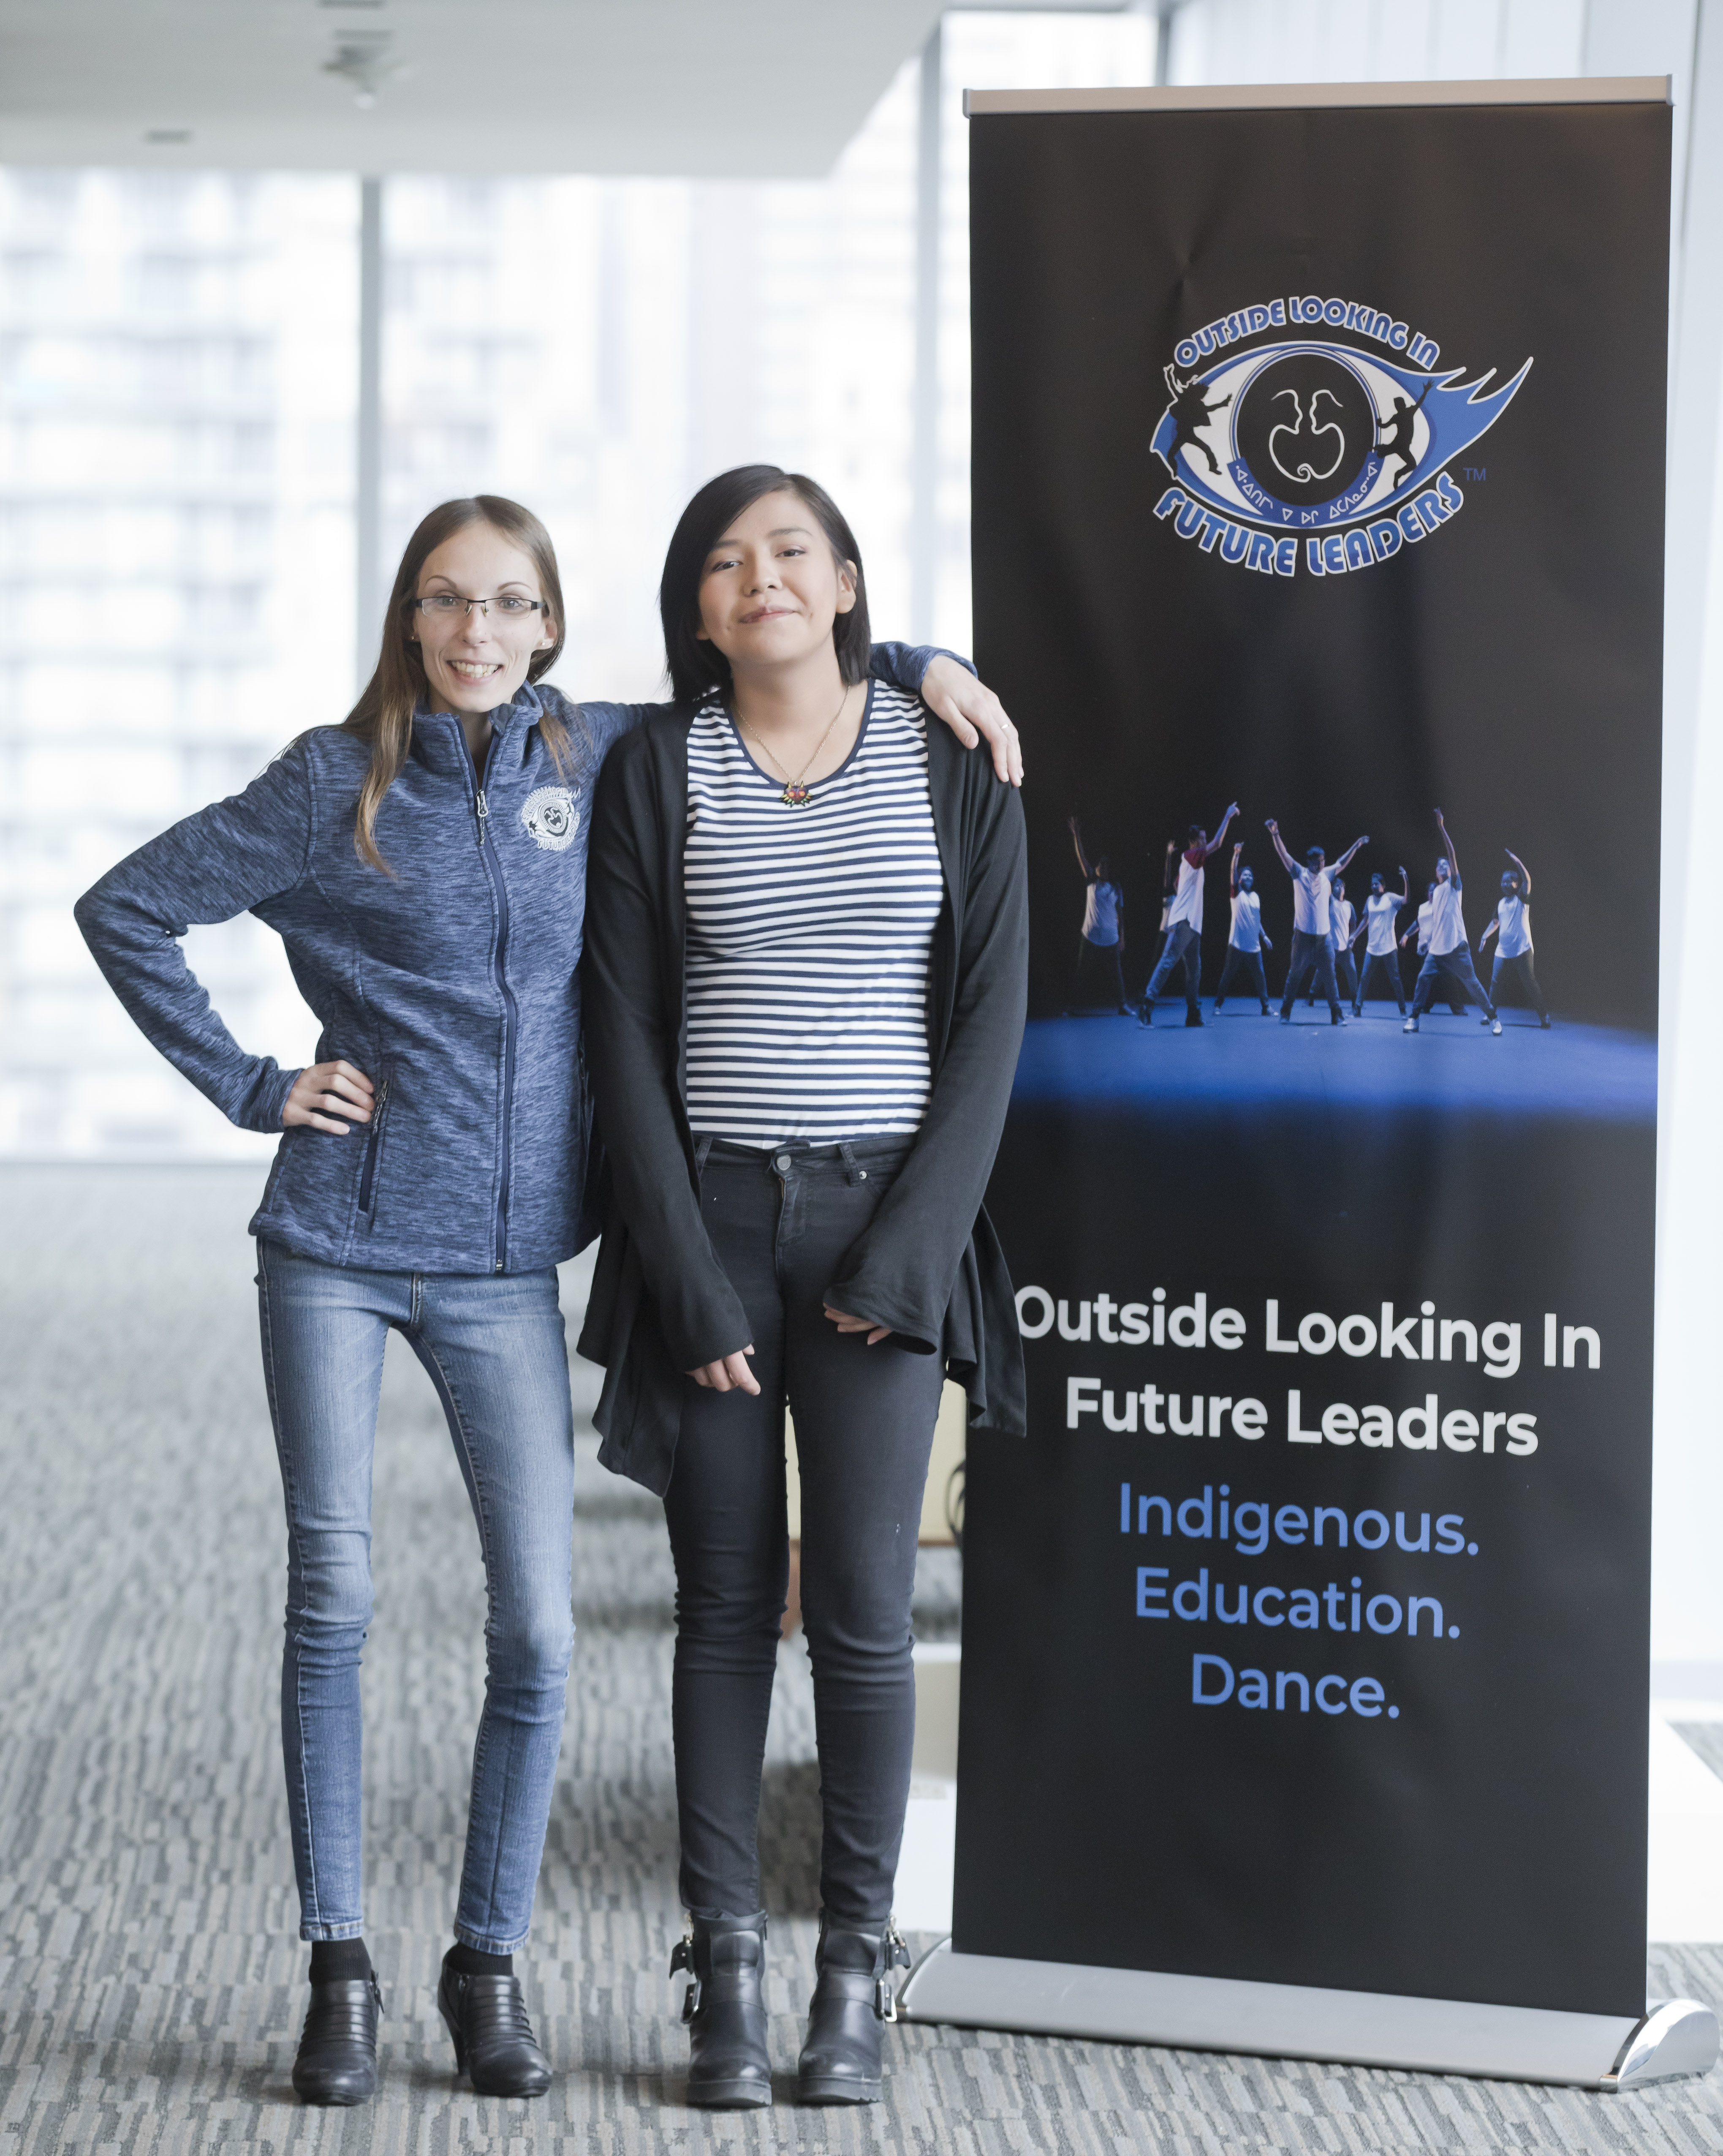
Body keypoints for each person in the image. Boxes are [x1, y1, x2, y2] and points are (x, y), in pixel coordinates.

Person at [72, 495, 1017, 2110]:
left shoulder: (586, 756)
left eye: (509, 605)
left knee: (551, 1630)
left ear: (552, 628)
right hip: (361, 1241)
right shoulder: (340, 779)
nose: (475, 633)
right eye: (444, 602)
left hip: (524, 1262)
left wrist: (923, 658)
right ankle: (351, 1967)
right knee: (345, 1600)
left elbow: (785, 657)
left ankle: (533, 1965)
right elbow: (127, 907)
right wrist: (254, 1084)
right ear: (406, 615)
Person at [579, 466, 1027, 2112]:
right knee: (717, 1612)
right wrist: (683, 1278)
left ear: (845, 582)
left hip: (883, 1231)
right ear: (697, 609)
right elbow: (620, 1030)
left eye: (789, 550)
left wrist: (911, 1254)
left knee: (859, 1616)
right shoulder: (652, 767)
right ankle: (727, 1974)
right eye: (721, 560)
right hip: (705, 1224)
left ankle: (850, 1968)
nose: (755, 576)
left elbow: (989, 1024)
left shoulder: (946, 751)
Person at [1139, 803, 1238, 1027]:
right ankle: (1146, 1004)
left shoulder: (1192, 864)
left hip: (1193, 925)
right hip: (1184, 921)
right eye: (1202, 838)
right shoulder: (1190, 855)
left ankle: (1193, 1013)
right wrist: (1228, 816)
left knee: (1195, 970)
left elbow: (1176, 885)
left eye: (1205, 838)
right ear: (1195, 841)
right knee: (1168, 961)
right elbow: (1218, 844)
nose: (1205, 841)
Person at [1404, 809, 1502, 1033]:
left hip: (1458, 947)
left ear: (1450, 869)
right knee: (1422, 981)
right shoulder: (1437, 891)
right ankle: (1414, 1018)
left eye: (1446, 864)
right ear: (1436, 872)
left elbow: (1453, 856)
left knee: (1472, 984)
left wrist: (1441, 828)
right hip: (1437, 950)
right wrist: (1428, 942)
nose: (1444, 865)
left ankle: (1494, 1019)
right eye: (1440, 864)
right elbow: (1436, 923)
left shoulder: (1453, 887)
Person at [1266, 820, 1365, 1024]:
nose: (1322, 864)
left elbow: (1342, 862)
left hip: (1324, 939)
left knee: (1330, 977)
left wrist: (1356, 846)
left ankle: (1336, 1015)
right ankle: (1285, 1012)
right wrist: (1276, 834)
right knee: (1295, 975)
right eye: (1318, 861)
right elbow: (1284, 856)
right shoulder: (1299, 874)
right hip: (1302, 938)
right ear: (1310, 861)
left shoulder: (1327, 875)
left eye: (1323, 860)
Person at [1479, 850, 1551, 1025]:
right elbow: (1496, 922)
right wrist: (1485, 935)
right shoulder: (1501, 903)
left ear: (1516, 883)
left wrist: (1517, 861)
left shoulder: (1522, 899)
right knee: (1495, 984)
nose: (1505, 884)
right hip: (1503, 950)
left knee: (1530, 983)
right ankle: (1491, 1014)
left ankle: (1544, 1016)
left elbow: (1528, 880)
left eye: (1508, 881)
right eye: (1502, 881)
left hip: (1522, 949)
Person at [1065, 816, 1128, 1013]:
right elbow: (1081, 857)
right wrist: (1077, 835)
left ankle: (1123, 1005)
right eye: (1100, 865)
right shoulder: (1092, 881)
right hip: (1090, 937)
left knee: (1117, 975)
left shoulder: (1116, 888)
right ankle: (1072, 1007)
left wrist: (1122, 938)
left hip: (1111, 939)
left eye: (1106, 866)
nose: (1102, 868)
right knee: (1081, 973)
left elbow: (1121, 914)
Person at [1212, 846, 1272, 1013]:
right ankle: (1217, 1005)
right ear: (1240, 879)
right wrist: (1236, 855)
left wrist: (1265, 936)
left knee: (1260, 977)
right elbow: (1232, 872)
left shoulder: (1256, 897)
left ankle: (1266, 1007)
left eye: (1250, 875)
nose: (1247, 877)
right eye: (1244, 875)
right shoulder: (1236, 894)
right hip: (1237, 944)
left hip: (1254, 946)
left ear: (1253, 879)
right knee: (1227, 976)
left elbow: (1257, 919)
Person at [1354, 868, 1410, 1016]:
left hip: (1389, 947)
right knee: (1364, 978)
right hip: (1372, 947)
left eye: (1376, 884)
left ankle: (1403, 1010)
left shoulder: (1390, 898)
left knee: (1395, 979)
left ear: (1383, 886)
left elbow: (1405, 900)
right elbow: (1365, 920)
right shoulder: (1370, 900)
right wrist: (1354, 936)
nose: (1373, 887)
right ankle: (1357, 1009)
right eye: (1372, 884)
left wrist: (1406, 879)